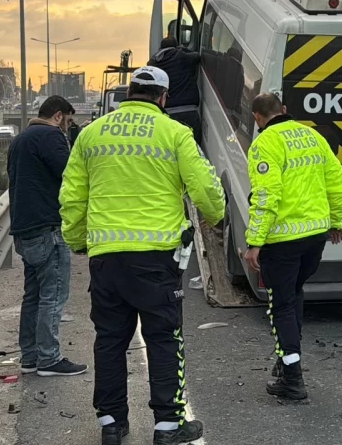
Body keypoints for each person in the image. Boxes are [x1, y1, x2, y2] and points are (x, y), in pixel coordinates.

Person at [61, 66, 225, 445]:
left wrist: (78, 239)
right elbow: (204, 186)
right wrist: (217, 217)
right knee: (163, 338)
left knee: (109, 340)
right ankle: (168, 425)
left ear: (128, 92)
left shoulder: (91, 134)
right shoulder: (174, 133)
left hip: (106, 258)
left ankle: (112, 424)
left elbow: (72, 196)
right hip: (156, 259)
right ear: (164, 98)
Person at [243, 93, 342, 401]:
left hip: (282, 241)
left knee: (281, 304)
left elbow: (267, 195)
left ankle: (292, 377)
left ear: (256, 117)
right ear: (285, 110)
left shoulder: (264, 144)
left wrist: (255, 241)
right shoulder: (313, 136)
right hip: (314, 238)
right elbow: (340, 183)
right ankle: (286, 359)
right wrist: (335, 221)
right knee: (294, 295)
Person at [7, 95, 87, 378]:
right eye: (68, 120)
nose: (68, 126)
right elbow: (71, 176)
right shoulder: (51, 137)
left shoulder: (20, 139)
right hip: (48, 227)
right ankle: (49, 359)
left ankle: (30, 356)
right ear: (57, 115)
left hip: (23, 228)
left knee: (33, 295)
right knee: (53, 295)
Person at [148, 36, 201, 141]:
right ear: (175, 46)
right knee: (193, 147)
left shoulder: (153, 64)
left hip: (166, 114)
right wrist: (183, 49)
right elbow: (197, 56)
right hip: (188, 111)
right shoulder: (181, 56)